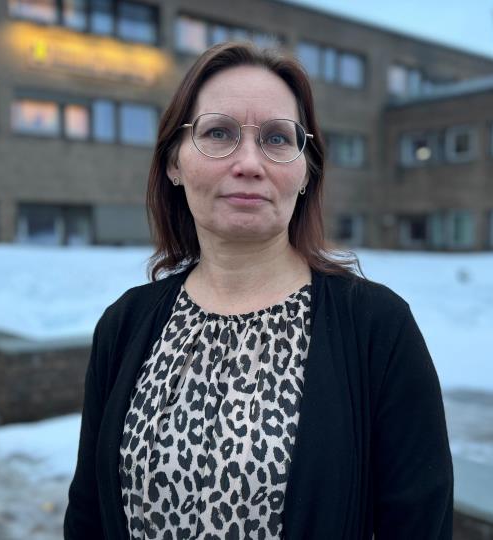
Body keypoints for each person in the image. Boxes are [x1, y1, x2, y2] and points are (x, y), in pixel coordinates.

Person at [64, 42, 453, 540]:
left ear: (306, 171)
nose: (249, 162)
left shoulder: (377, 327)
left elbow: (419, 524)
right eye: (218, 133)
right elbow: (89, 513)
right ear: (174, 163)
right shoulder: (126, 324)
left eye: (276, 138)